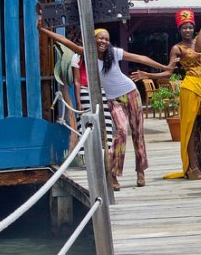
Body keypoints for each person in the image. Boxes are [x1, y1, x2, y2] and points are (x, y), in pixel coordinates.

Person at [37, 19, 176, 191]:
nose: (103, 41)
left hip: (131, 93)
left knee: (138, 133)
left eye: (106, 39)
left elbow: (140, 58)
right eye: (100, 38)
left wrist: (164, 67)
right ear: (93, 39)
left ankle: (140, 170)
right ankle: (113, 174)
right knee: (121, 131)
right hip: (113, 99)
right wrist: (43, 30)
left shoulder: (114, 53)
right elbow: (64, 40)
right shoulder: (85, 53)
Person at [134, 0, 201, 180]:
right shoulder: (177, 48)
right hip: (190, 87)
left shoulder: (200, 41)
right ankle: (192, 168)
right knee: (189, 128)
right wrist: (147, 74)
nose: (188, 30)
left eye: (190, 26)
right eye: (184, 27)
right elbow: (168, 71)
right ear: (179, 29)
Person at [71, 53, 114, 157]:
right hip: (85, 89)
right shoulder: (76, 57)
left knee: (106, 119)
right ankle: (86, 153)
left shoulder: (104, 55)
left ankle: (106, 150)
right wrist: (78, 102)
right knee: (86, 122)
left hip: (103, 89)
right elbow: (77, 81)